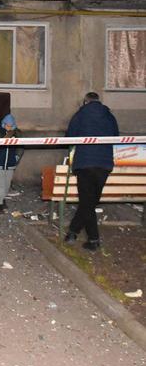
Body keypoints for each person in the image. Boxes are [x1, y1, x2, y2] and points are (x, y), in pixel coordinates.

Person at [64, 92, 119, 251]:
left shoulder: (80, 115)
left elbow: (70, 136)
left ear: (85, 102)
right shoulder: (109, 116)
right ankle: (79, 236)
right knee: (89, 202)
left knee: (87, 203)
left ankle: (81, 236)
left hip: (85, 163)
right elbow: (116, 135)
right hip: (104, 164)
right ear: (98, 101)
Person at [0, 114, 23, 214]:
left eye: (11, 125)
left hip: (11, 163)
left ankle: (2, 199)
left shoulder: (17, 133)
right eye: (7, 125)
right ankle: (0, 203)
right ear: (4, 123)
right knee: (0, 183)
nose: (9, 127)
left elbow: (20, 148)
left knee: (7, 184)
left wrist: (16, 157)